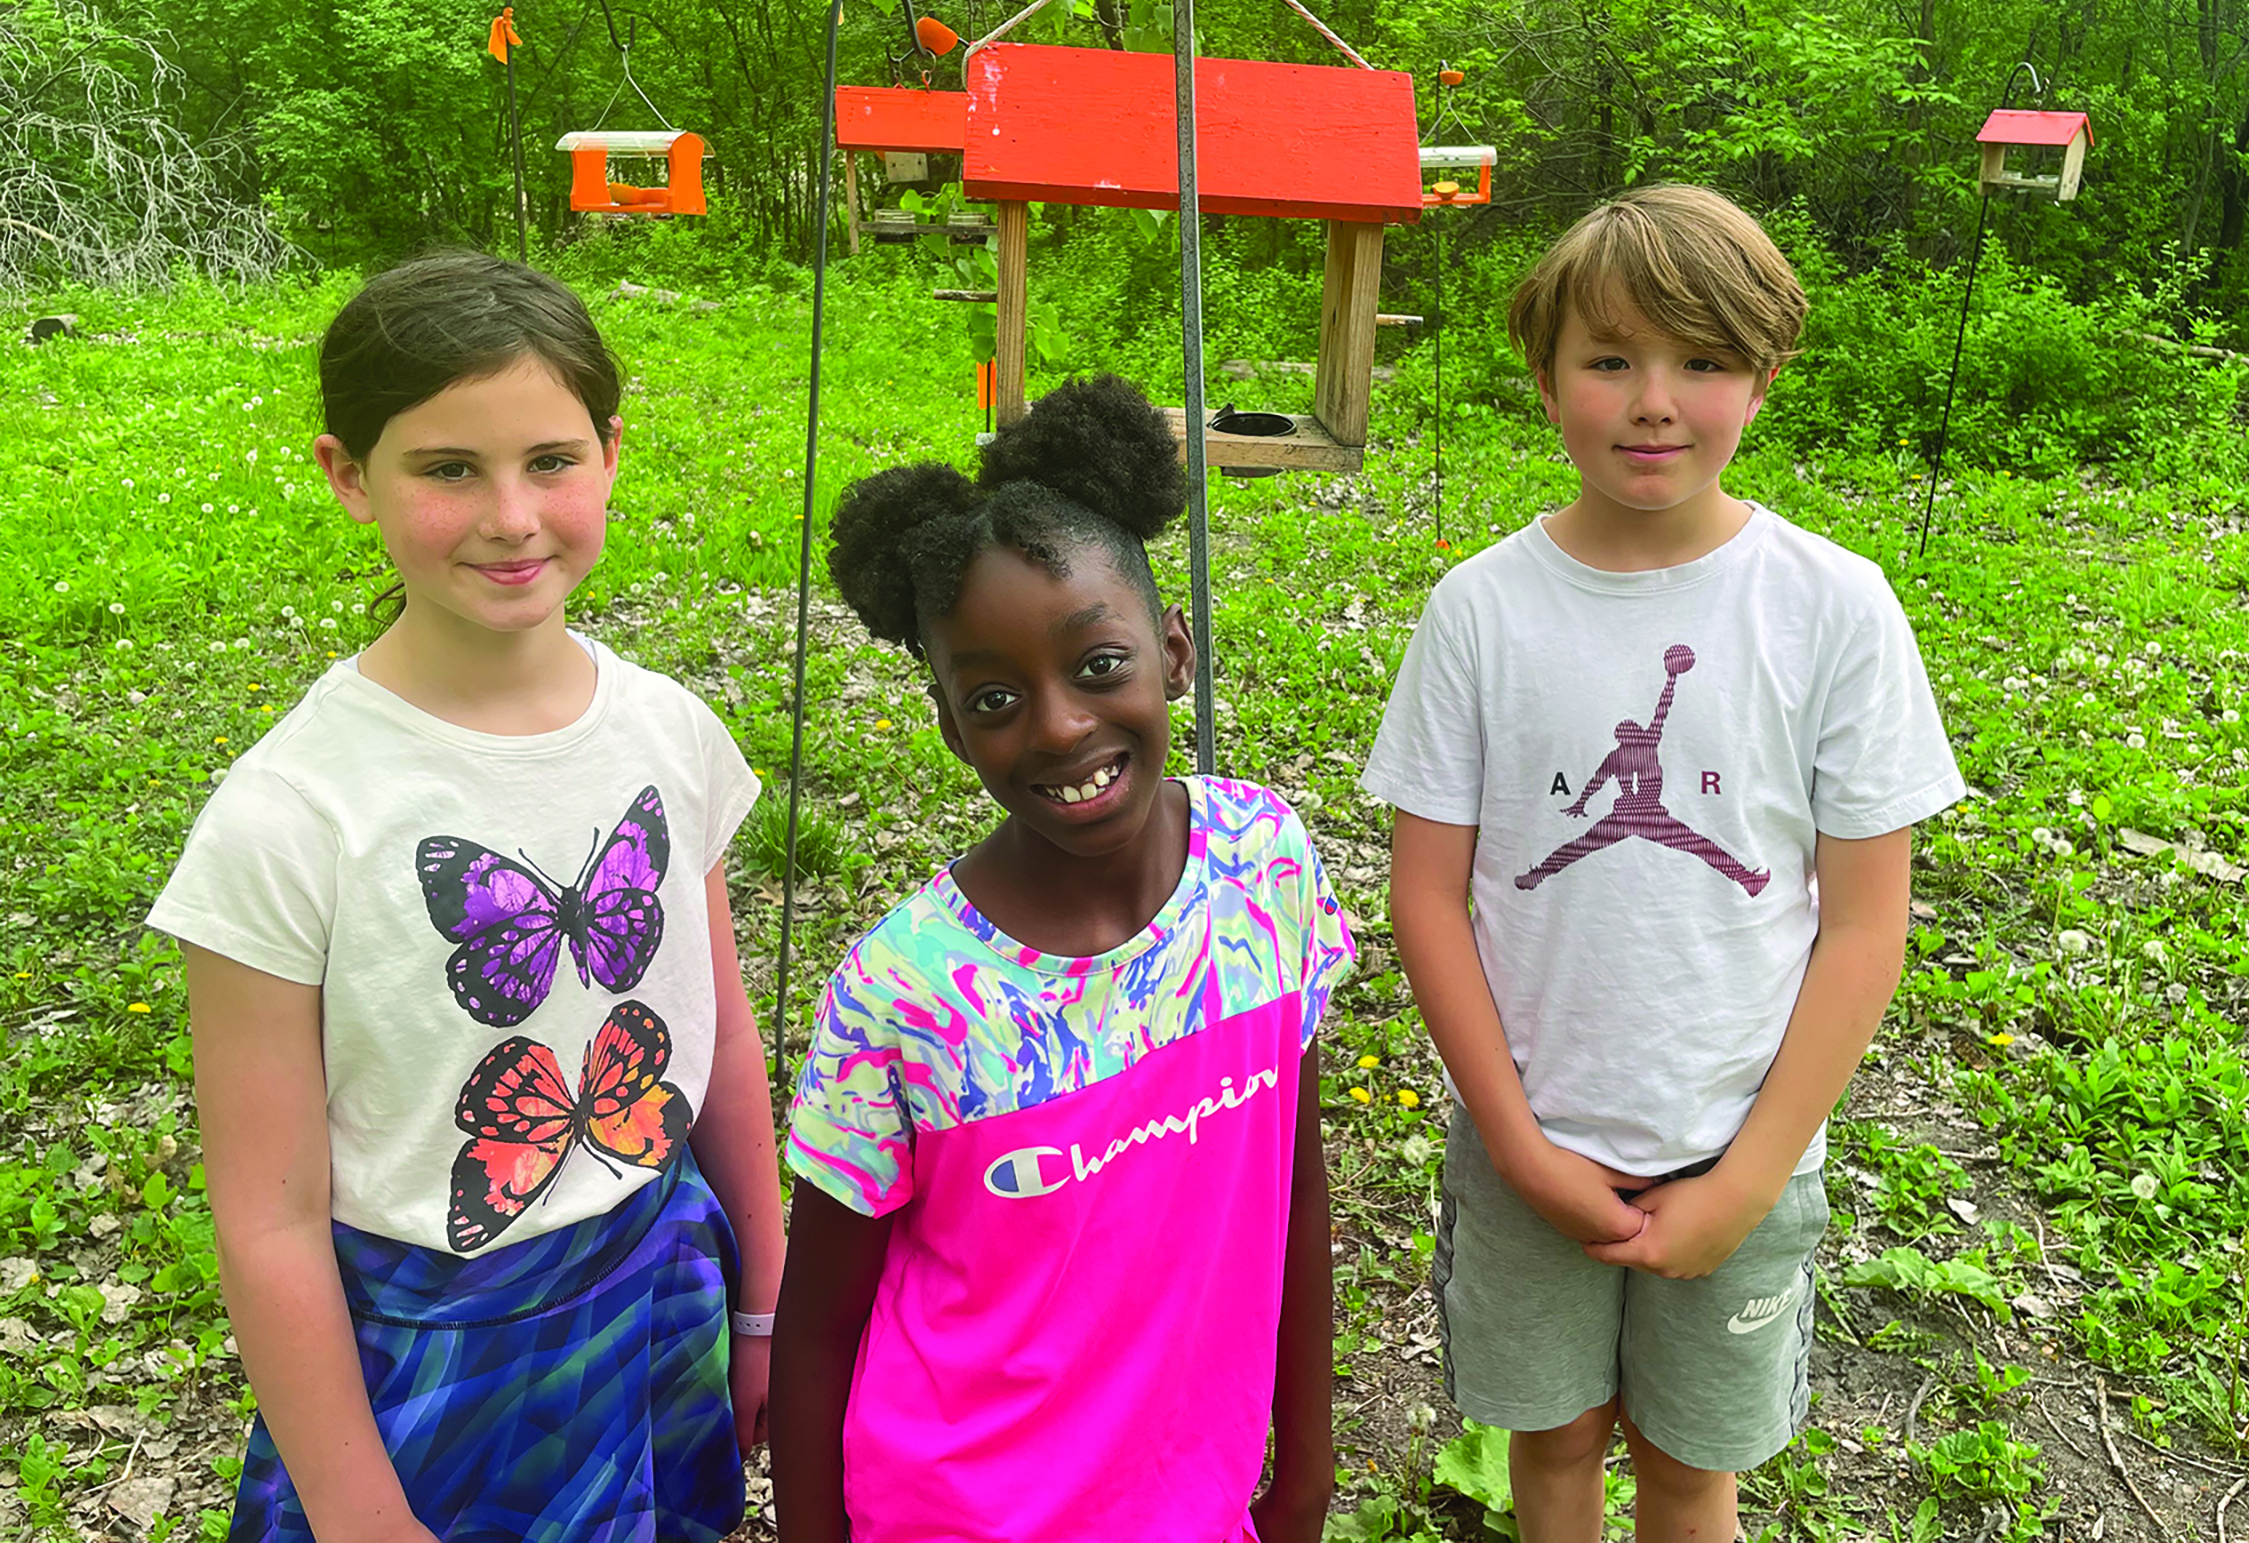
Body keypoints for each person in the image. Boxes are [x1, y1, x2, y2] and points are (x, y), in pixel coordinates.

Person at [149, 255, 784, 1543]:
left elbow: (719, 1049)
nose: (511, 515)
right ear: (348, 476)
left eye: (551, 459)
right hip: (432, 1351)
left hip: (661, 1282)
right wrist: (354, 1508)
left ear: (610, 452)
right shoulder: (289, 820)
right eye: (448, 469)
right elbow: (269, 1218)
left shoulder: (671, 734)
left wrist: (767, 1301)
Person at [1364, 184, 1964, 1543]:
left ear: (1763, 377)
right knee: (1557, 1451)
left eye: (1703, 362)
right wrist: (1517, 1148)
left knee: (1695, 1474)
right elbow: (1427, 893)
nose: (1654, 401)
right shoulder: (1480, 611)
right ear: (1546, 374)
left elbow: (1866, 925)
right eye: (1611, 357)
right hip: (1536, 1148)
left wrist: (1748, 1176)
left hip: (1741, 1148)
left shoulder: (1834, 607)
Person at [769, 375, 1353, 1543]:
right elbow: (819, 1331)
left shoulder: (1262, 863)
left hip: (1193, 1489)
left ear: (1173, 651)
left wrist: (1307, 1462)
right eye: (993, 697)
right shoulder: (909, 992)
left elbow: (1293, 1165)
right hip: (958, 1510)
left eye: (1098, 667)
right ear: (945, 723)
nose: (1060, 727)